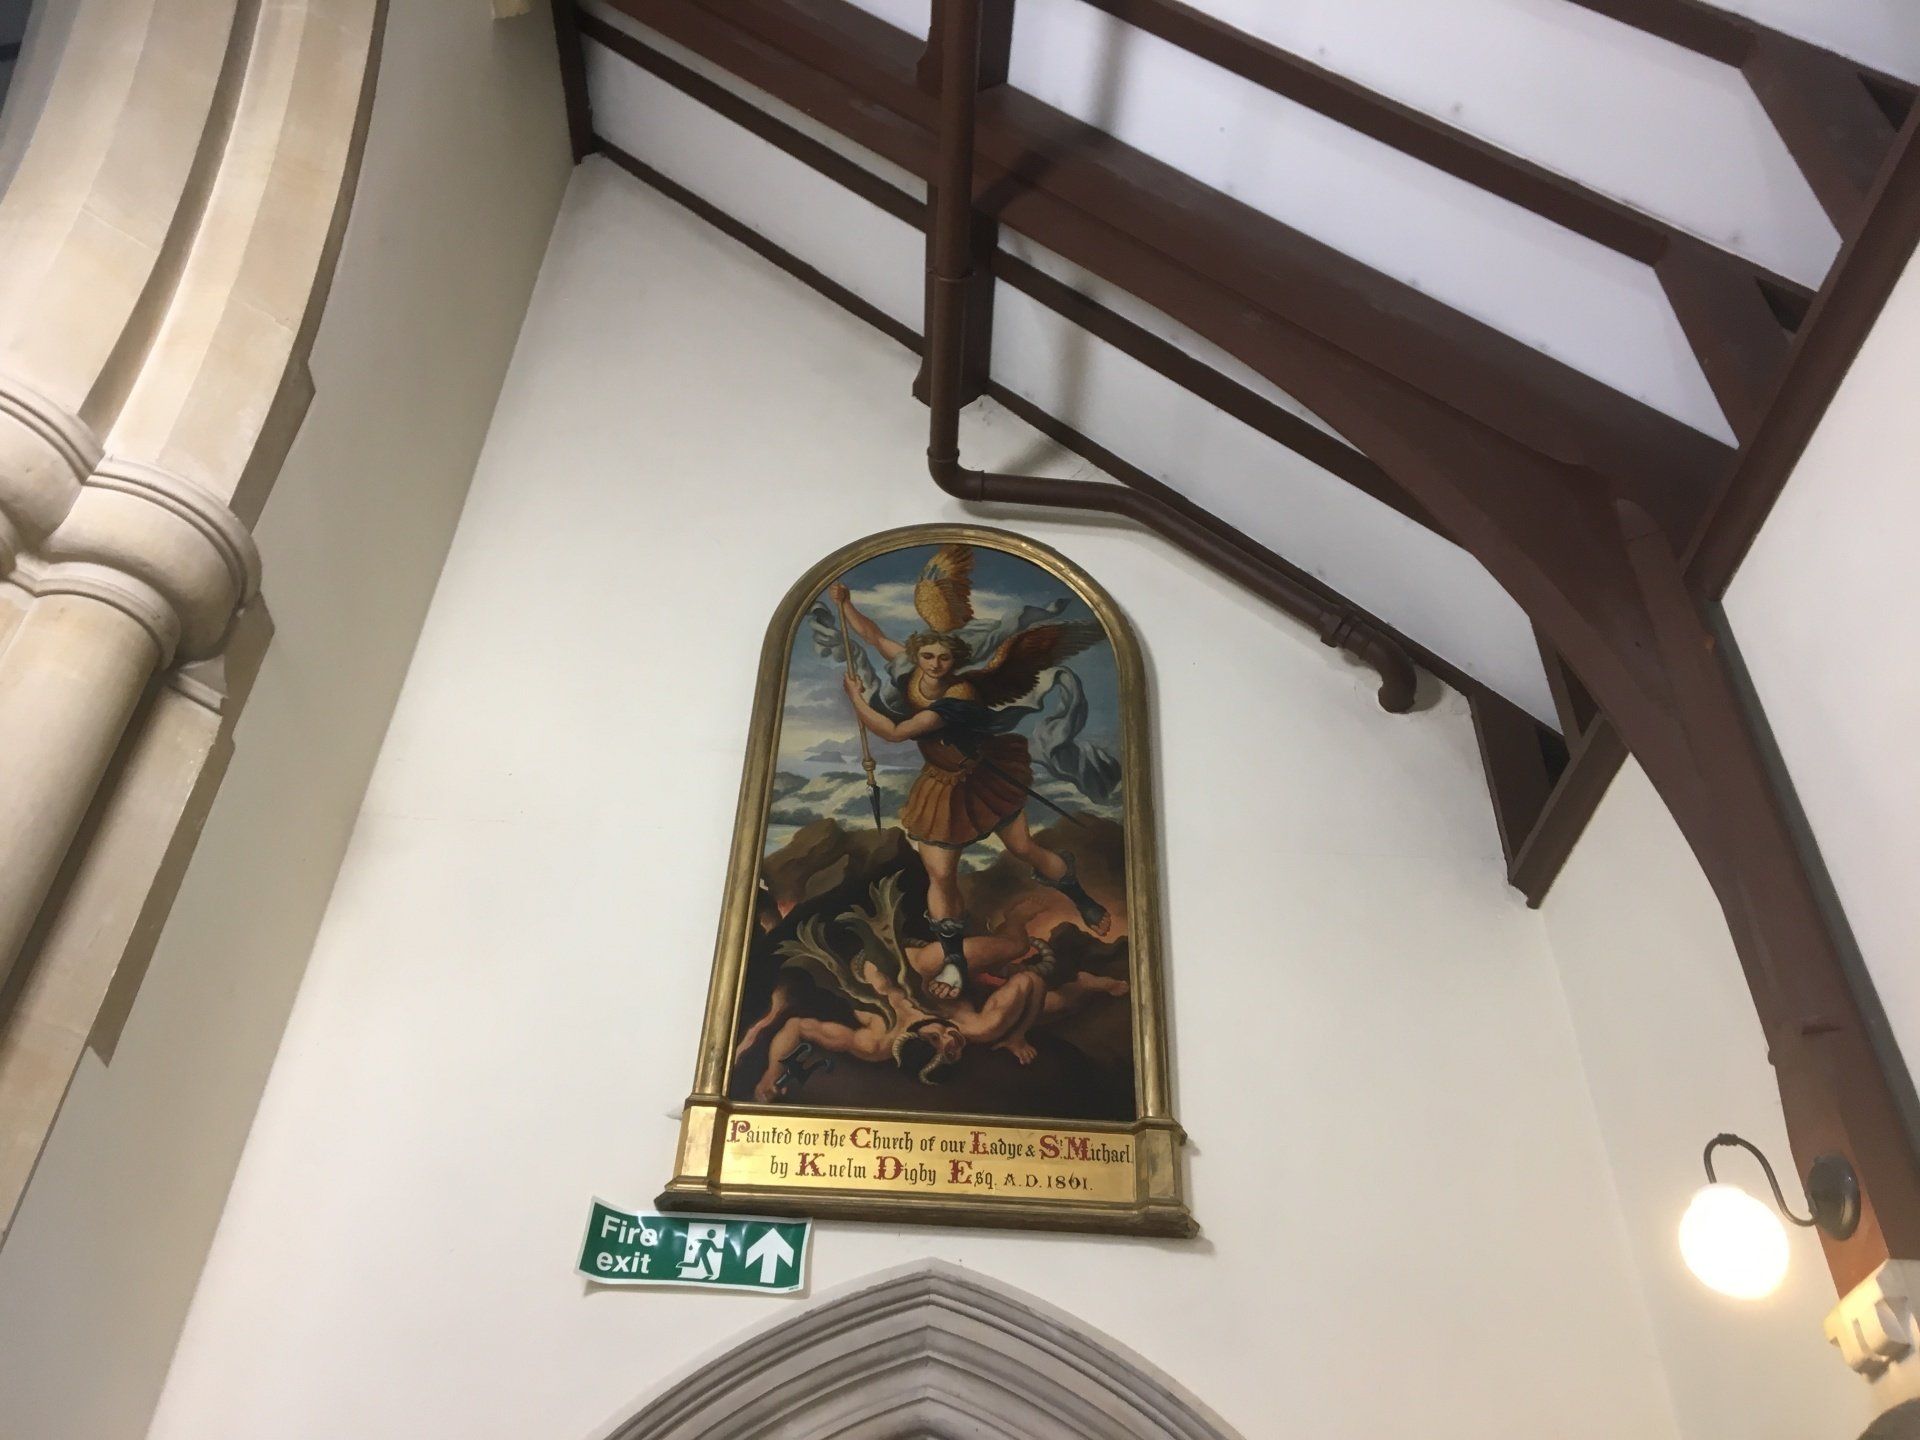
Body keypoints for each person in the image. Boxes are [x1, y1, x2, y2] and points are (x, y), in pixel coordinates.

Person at [828, 547, 1110, 999]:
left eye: (944, 658)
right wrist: (845, 605)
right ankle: (954, 961)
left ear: (954, 661)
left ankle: (1079, 896)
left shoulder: (959, 696)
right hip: (940, 785)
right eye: (928, 656)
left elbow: (896, 733)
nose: (935, 665)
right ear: (918, 655)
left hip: (984, 777)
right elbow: (874, 636)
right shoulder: (912, 667)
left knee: (1023, 848)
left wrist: (856, 699)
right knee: (941, 876)